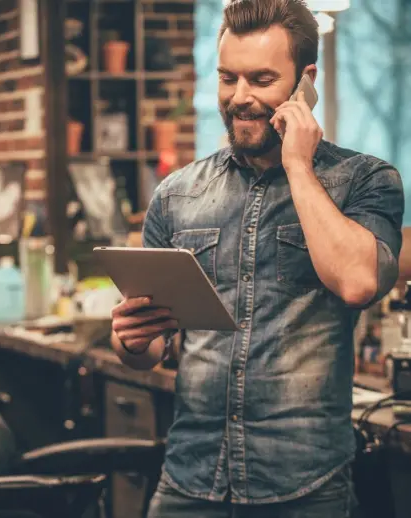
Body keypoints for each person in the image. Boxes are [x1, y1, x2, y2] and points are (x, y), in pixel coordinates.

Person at [110, 0, 404, 516]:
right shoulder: (177, 195)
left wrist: (297, 164)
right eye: (228, 78)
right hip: (190, 481)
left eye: (261, 80)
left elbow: (359, 281)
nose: (239, 98)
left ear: (304, 83)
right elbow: (152, 349)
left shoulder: (366, 181)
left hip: (305, 488)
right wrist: (130, 341)